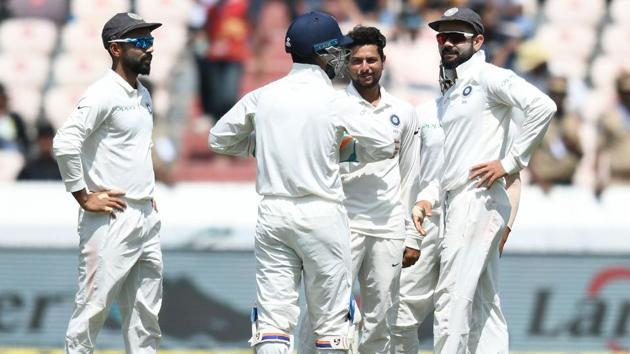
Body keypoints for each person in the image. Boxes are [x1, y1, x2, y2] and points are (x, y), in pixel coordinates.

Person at [208, 11, 396, 354]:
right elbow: (384, 144)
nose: (342, 58)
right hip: (321, 214)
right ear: (324, 53)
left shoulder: (263, 96)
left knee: (273, 321)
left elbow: (219, 138)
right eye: (338, 51)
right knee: (331, 325)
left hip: (273, 213)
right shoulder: (334, 100)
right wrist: (339, 150)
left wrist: (265, 147)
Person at [422, 7, 556, 353]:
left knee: (451, 298)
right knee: (485, 303)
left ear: (478, 41)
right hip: (457, 200)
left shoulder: (487, 76)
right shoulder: (451, 91)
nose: (448, 43)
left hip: (476, 198)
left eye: (457, 37)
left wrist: (511, 162)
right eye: (442, 36)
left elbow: (543, 106)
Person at [297, 25, 421, 354]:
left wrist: (412, 235)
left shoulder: (404, 112)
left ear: (383, 61)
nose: (364, 67)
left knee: (381, 319)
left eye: (371, 60)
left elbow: (410, 177)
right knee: (324, 312)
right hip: (342, 224)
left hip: (387, 227)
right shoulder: (332, 108)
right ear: (346, 64)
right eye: (355, 61)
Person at [52, 12, 164, 353]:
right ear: (115, 49)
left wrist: (146, 193)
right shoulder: (103, 93)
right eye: (141, 43)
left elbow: (130, 151)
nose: (149, 50)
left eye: (151, 42)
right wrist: (83, 197)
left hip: (144, 217)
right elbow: (65, 142)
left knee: (146, 318)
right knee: (92, 310)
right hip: (111, 218)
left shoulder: (142, 93)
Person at [390, 102, 523, 353]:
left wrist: (505, 230)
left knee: (475, 310)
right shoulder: (424, 113)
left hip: (474, 216)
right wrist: (408, 229)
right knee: (400, 314)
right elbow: (407, 175)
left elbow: (513, 179)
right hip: (426, 219)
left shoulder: (498, 118)